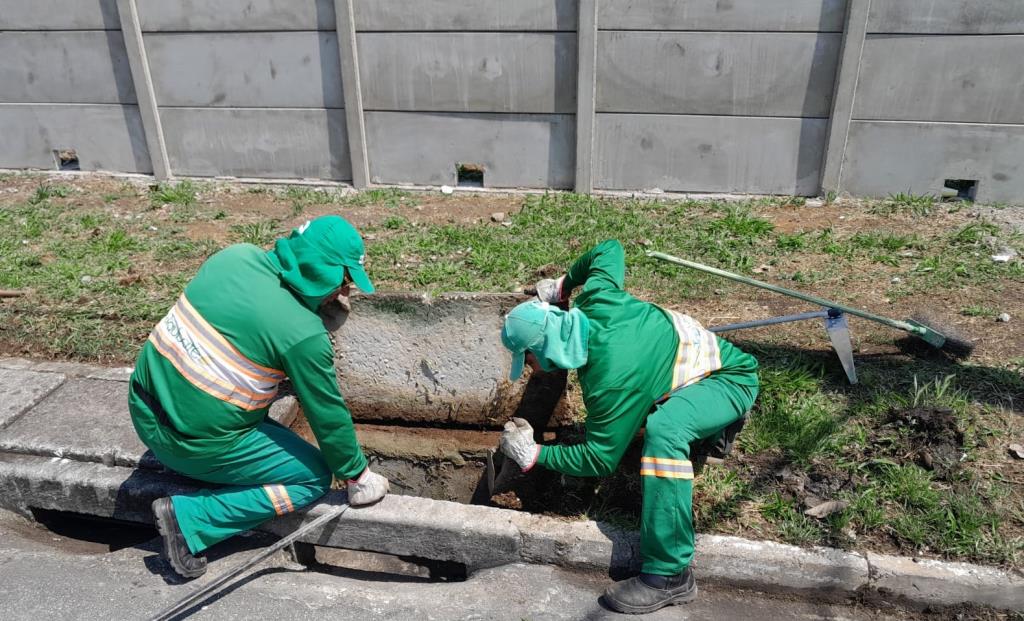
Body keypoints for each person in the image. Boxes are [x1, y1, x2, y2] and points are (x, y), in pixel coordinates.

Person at [498, 239, 759, 614]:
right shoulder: (596, 301)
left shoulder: (612, 380)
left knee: (664, 433)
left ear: (548, 350)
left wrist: (534, 454)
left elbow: (599, 459)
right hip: (690, 369)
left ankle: (670, 574)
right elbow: (610, 249)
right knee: (654, 419)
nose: (528, 370)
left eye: (527, 360)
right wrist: (564, 285)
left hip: (728, 379)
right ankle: (711, 429)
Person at [129, 215, 389, 579]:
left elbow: (242, 333)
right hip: (187, 444)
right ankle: (191, 520)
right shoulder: (301, 335)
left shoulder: (234, 257)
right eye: (344, 281)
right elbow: (327, 415)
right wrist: (356, 476)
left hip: (144, 407)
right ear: (322, 272)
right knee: (312, 477)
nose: (344, 293)